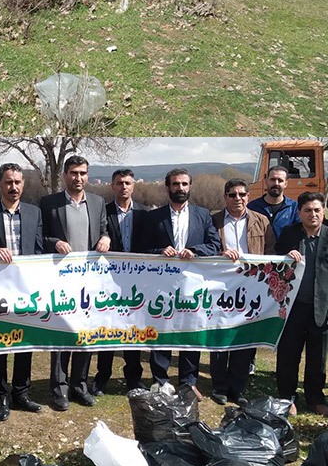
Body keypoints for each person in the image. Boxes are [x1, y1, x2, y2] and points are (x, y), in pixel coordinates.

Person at [0, 164, 45, 421]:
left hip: (26, 290)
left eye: (18, 182)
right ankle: (1, 394)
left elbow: (38, 250)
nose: (14, 187)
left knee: (25, 341)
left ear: (23, 184)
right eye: (8, 182)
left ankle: (21, 393)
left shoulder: (34, 212)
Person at [40, 155, 111, 410]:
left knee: (86, 333)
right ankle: (59, 388)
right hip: (61, 280)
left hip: (90, 281)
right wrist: (53, 242)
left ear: (87, 176)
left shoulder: (98, 202)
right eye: (73, 173)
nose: (77, 178)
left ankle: (79, 385)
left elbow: (104, 229)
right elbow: (41, 237)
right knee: (62, 333)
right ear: (65, 176)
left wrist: (106, 238)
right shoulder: (49, 203)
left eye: (82, 173)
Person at [142, 168, 221, 393]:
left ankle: (189, 381)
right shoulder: (154, 217)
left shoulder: (202, 215)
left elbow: (215, 245)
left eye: (184, 184)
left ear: (190, 186)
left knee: (190, 331)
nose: (180, 188)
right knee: (162, 329)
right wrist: (159, 251)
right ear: (168, 187)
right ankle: (160, 380)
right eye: (176, 184)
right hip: (162, 285)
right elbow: (141, 248)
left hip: (192, 285)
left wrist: (194, 251)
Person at [274, 192, 328, 417]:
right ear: (299, 213)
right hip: (293, 306)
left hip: (323, 307)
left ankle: (315, 398)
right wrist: (285, 257)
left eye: (317, 210)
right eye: (308, 210)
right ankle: (287, 397)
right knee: (288, 354)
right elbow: (274, 265)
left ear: (323, 211)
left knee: (318, 356)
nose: (313, 214)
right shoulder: (289, 235)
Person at [209, 179, 276, 405]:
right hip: (221, 287)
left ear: (248, 196)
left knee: (245, 337)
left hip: (251, 288)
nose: (237, 198)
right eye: (232, 194)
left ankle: (237, 388)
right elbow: (206, 248)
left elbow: (270, 252)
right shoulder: (214, 220)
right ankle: (219, 386)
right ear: (225, 197)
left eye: (242, 194)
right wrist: (220, 252)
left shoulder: (262, 221)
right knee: (219, 335)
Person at [91, 169, 147, 396]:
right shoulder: (101, 212)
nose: (123, 186)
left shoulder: (145, 214)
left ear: (133, 186)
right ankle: (101, 378)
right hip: (108, 283)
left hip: (137, 283)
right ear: (112, 186)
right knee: (108, 331)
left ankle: (133, 378)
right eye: (119, 183)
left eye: (127, 183)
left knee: (133, 332)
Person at [249, 166, 300, 239]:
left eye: (280, 180)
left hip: (285, 250)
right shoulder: (252, 207)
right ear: (266, 181)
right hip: (258, 250)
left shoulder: (294, 208)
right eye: (272, 179)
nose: (276, 183)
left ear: (286, 184)